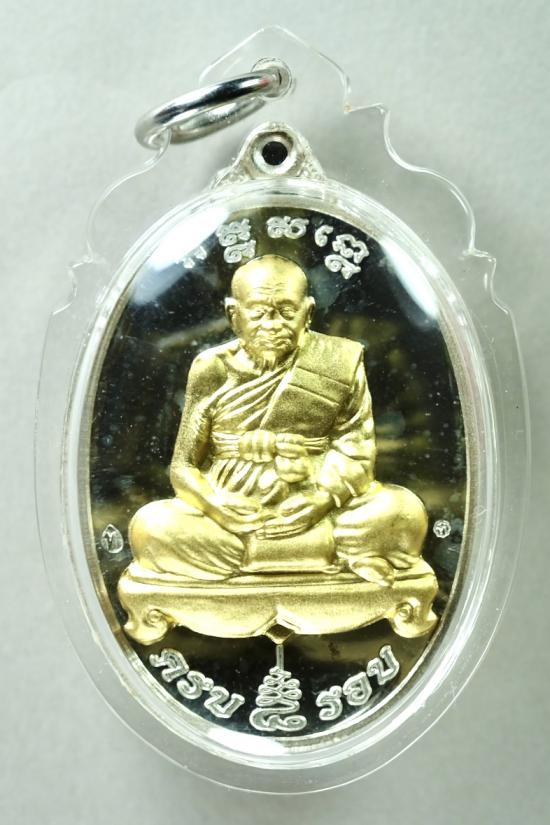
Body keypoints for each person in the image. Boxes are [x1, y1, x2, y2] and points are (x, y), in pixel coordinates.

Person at [128, 254, 428, 587]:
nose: (272, 324)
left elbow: (357, 450)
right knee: (151, 527)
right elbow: (183, 467)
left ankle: (270, 560)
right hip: (233, 514)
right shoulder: (211, 367)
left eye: (286, 312)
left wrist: (321, 500)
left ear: (308, 313)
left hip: (316, 504)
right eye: (258, 312)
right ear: (234, 314)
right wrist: (217, 508)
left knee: (404, 512)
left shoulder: (339, 361)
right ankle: (325, 558)